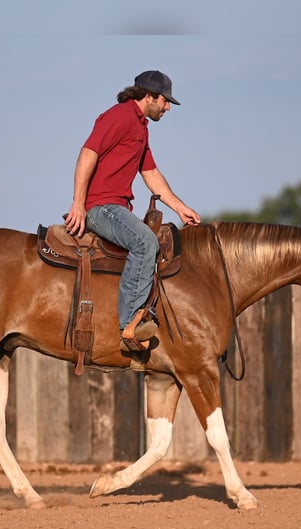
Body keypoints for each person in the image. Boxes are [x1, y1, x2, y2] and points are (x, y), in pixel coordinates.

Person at [64, 70, 201, 351]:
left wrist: (180, 208)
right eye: (165, 101)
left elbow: (150, 172)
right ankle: (130, 326)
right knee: (144, 241)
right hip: (101, 207)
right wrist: (79, 203)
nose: (167, 108)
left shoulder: (140, 127)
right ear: (148, 96)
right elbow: (88, 153)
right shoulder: (120, 116)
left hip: (117, 208)